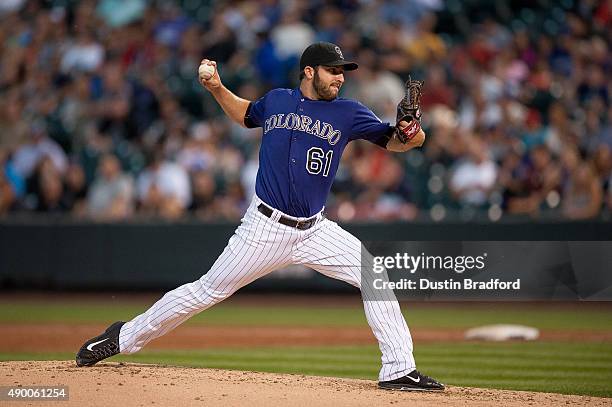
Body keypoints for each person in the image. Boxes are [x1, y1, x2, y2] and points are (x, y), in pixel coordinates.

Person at [76, 42, 444, 392]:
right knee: (206, 291)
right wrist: (218, 87)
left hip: (315, 229)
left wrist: (412, 130)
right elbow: (245, 114)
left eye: (343, 71)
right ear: (309, 72)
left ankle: (399, 369)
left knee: (372, 273)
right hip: (264, 228)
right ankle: (122, 336)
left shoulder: (348, 112)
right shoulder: (278, 101)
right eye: (333, 71)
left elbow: (402, 141)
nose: (340, 77)